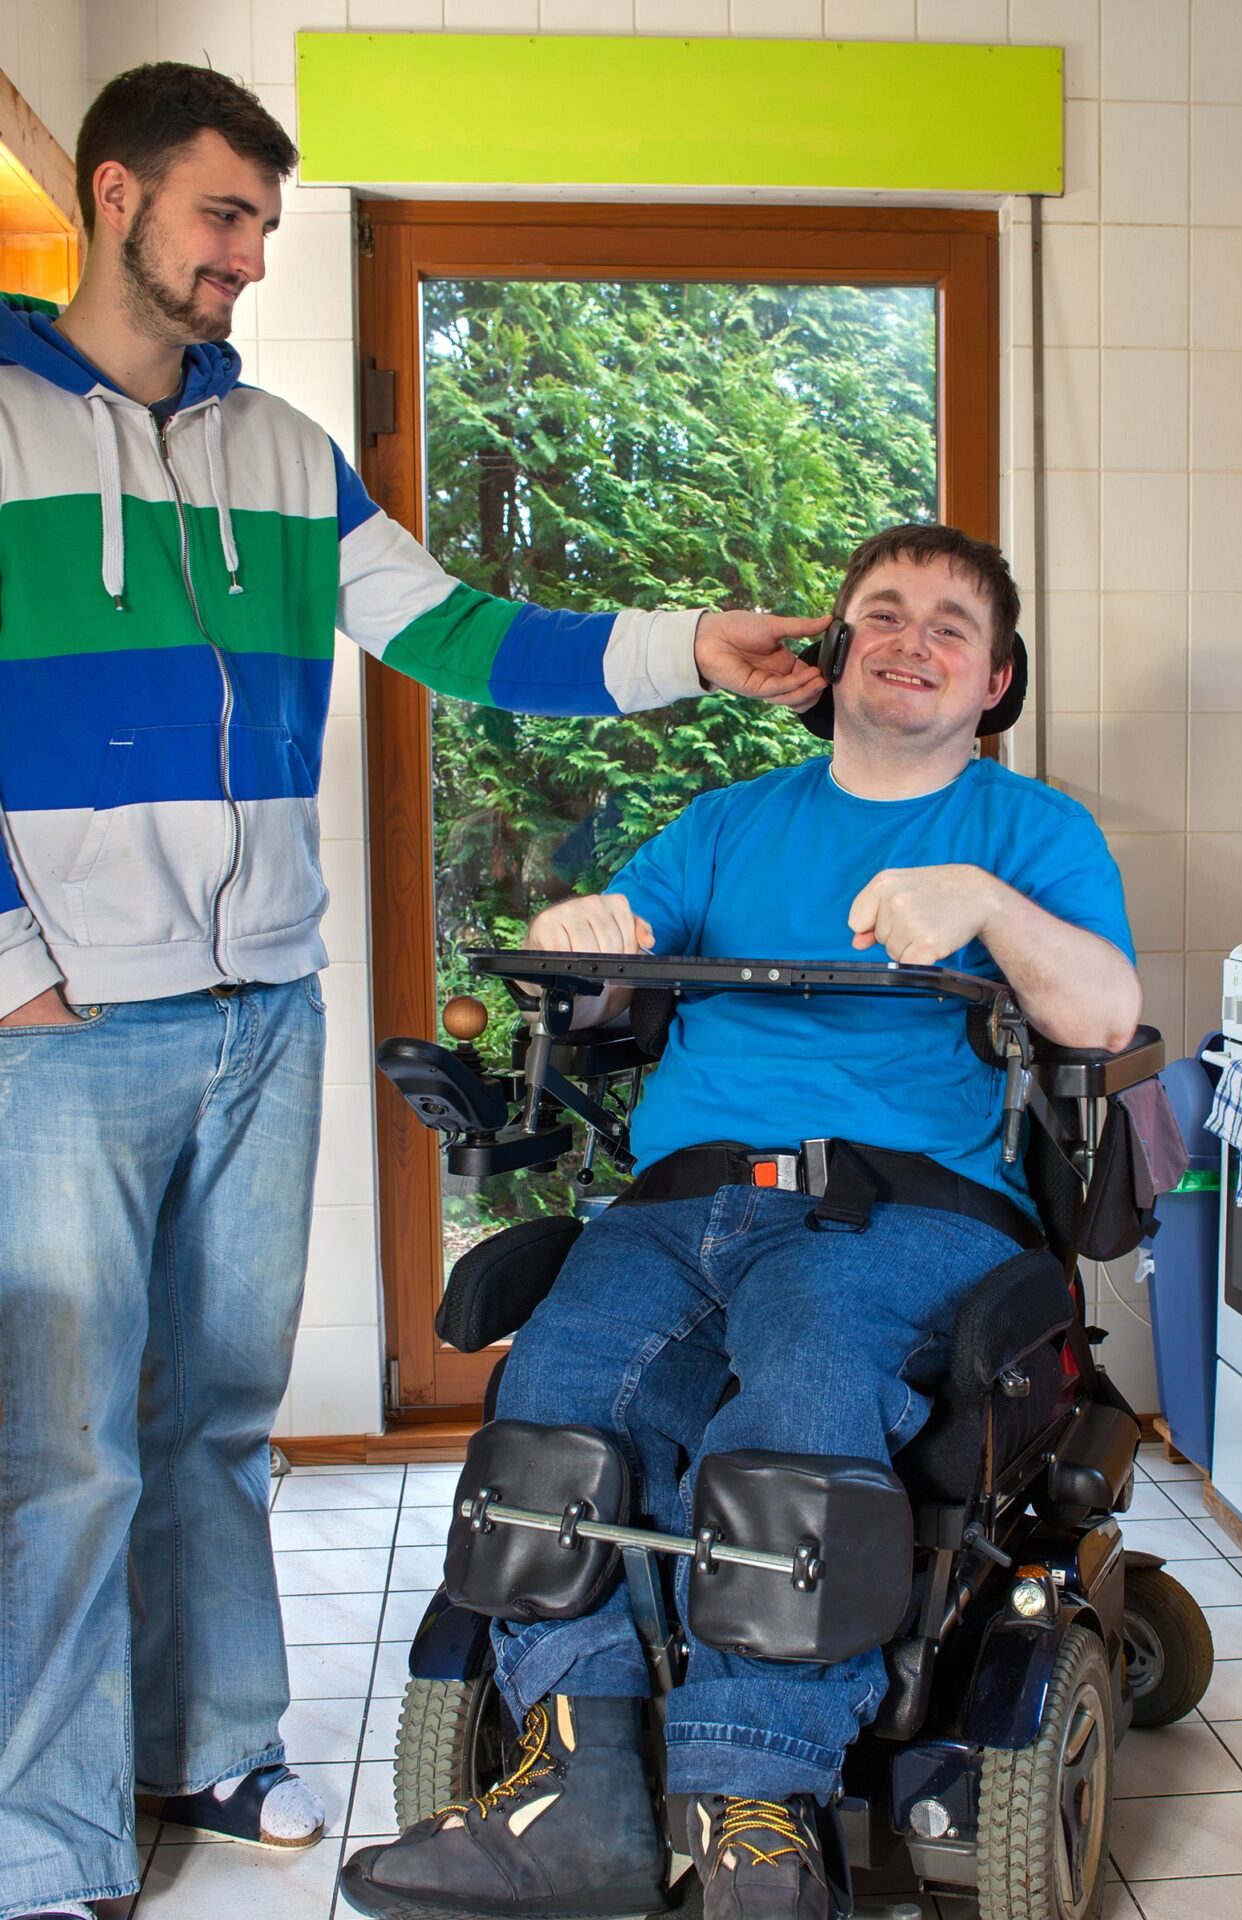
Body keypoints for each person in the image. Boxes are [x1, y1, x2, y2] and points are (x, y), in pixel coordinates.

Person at [0, 62, 828, 1920]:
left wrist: (689, 647)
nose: (244, 259)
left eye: (265, 229)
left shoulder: (283, 451)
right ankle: (42, 1838)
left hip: (258, 1007)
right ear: (117, 196)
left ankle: (208, 1743)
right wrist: (12, 969)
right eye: (223, 217)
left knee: (213, 1417)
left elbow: (458, 633)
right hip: (55, 1032)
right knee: (54, 1448)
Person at [342, 524, 1141, 1920]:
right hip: (680, 1201)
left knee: (805, 1394)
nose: (909, 639)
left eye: (948, 625)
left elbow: (1100, 1018)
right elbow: (611, 937)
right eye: (879, 613)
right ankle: (578, 1795)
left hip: (895, 1211)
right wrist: (585, 921)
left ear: (994, 680)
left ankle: (756, 1807)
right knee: (555, 1401)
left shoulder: (1030, 831)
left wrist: (983, 906)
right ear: (831, 654)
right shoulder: (726, 822)